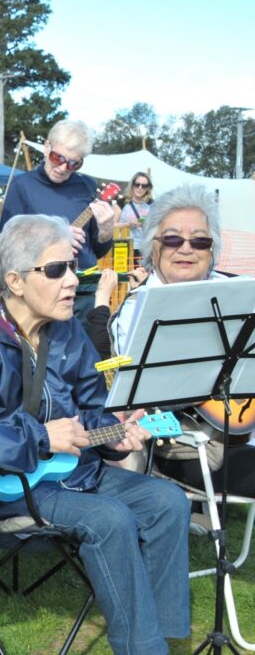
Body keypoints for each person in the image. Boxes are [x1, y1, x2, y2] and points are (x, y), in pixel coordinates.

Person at [0, 213, 191, 654]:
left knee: (167, 501)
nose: (72, 281)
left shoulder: (68, 332)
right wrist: (39, 438)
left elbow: (91, 408)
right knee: (110, 519)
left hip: (68, 473)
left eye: (73, 268)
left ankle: (160, 635)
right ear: (15, 281)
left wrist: (114, 435)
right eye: (56, 270)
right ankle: (143, 649)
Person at [111, 184, 255, 498]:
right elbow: (140, 400)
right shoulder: (136, 310)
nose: (186, 249)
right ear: (152, 247)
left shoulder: (242, 292)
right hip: (186, 444)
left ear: (212, 248)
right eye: (173, 239)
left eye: (200, 241)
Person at [0, 119, 118, 323]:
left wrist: (106, 230)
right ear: (47, 148)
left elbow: (98, 250)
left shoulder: (86, 186)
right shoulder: (22, 186)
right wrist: (57, 238)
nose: (63, 167)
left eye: (74, 163)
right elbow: (6, 246)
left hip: (83, 291)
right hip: (42, 295)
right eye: (58, 157)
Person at [116, 171, 153, 262]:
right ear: (132, 185)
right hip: (123, 248)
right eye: (137, 184)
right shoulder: (122, 202)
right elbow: (110, 226)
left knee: (142, 275)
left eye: (144, 186)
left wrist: (147, 224)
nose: (140, 188)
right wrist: (128, 224)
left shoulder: (152, 204)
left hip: (144, 249)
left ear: (148, 188)